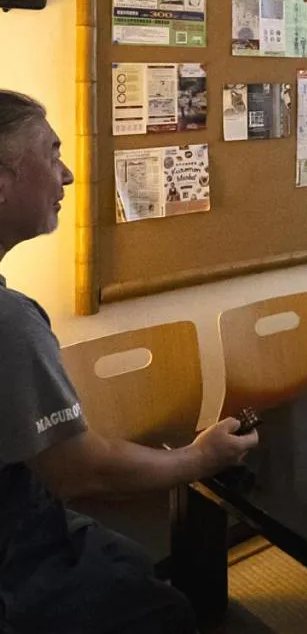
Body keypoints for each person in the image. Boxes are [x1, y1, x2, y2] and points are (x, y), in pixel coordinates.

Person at [0, 91, 258, 634]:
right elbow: (82, 469)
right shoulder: (10, 326)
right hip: (18, 574)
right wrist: (199, 458)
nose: (67, 175)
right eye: (51, 155)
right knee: (174, 612)